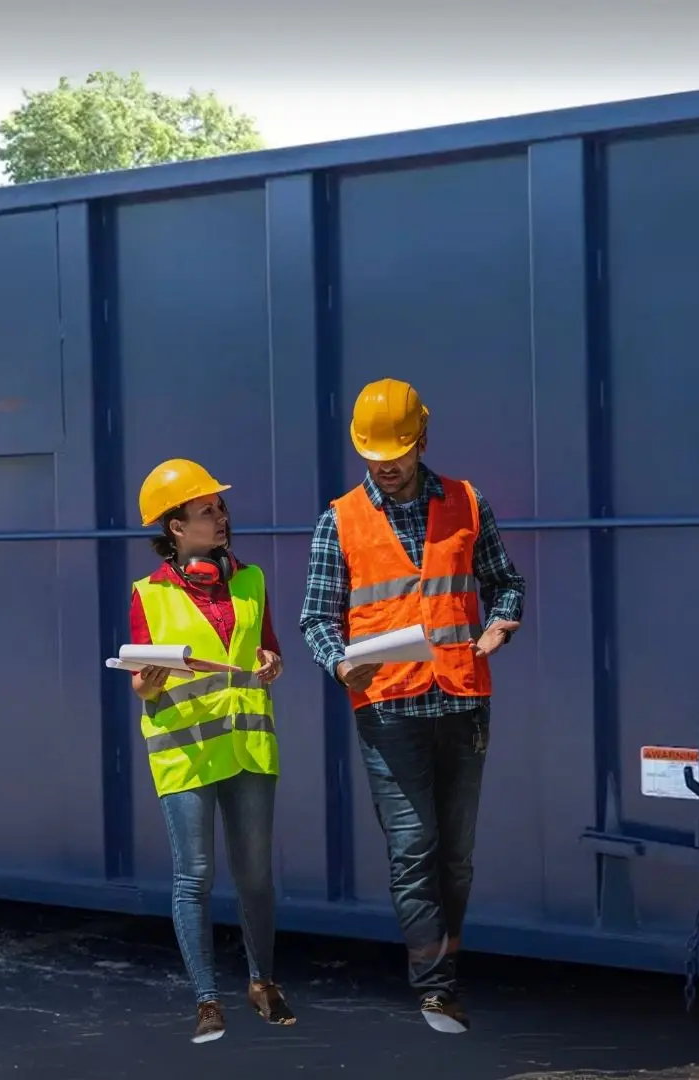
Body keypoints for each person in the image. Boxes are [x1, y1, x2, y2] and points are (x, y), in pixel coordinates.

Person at [297, 379, 526, 1034]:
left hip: (462, 699)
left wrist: (498, 628)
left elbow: (504, 582)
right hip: (388, 708)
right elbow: (317, 619)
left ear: (422, 440)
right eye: (373, 455)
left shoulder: (466, 502)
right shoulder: (338, 520)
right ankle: (434, 986)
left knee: (455, 854)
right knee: (413, 846)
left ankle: (446, 959)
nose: (384, 465)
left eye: (395, 452)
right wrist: (339, 659)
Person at [128, 457, 299, 1043]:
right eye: (206, 511)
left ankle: (263, 982)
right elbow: (141, 681)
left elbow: (270, 649)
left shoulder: (251, 581)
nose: (220, 517)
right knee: (193, 877)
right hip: (185, 752)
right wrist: (147, 681)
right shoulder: (147, 594)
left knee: (255, 877)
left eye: (220, 507)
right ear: (175, 528)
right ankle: (207, 1000)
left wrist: (272, 662)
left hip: (248, 748)